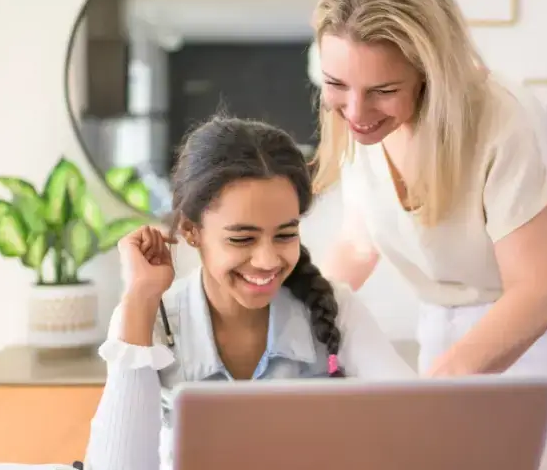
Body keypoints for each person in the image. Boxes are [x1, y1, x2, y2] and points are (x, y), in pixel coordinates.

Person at [310, 0, 547, 468]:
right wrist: (294, 311)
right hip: (442, 334)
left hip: (538, 340)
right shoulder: (356, 116)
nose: (355, 111)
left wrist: (432, 393)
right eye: (336, 84)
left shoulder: (502, 116)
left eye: (384, 90)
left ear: (429, 71)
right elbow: (358, 244)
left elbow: (534, 292)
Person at [84, 116, 417, 470]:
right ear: (191, 231)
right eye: (242, 238)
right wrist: (140, 298)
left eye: (285, 234)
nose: (268, 259)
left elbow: (420, 428)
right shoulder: (149, 317)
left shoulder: (337, 309)